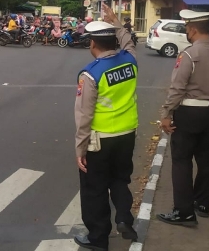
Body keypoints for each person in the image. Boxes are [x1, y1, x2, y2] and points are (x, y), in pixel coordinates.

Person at [156, 10, 209, 226]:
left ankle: (184, 212)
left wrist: (166, 114)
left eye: (187, 28)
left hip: (189, 114)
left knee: (181, 161)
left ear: (193, 29)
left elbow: (177, 88)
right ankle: (203, 204)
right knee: (207, 162)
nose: (187, 32)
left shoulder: (188, 55)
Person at [73, 18, 138, 250]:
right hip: (127, 134)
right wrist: (118, 24)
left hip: (100, 140)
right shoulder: (130, 61)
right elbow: (128, 42)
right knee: (120, 179)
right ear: (113, 41)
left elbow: (84, 116)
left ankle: (98, 238)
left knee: (95, 189)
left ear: (93, 44)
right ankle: (123, 218)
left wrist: (80, 149)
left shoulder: (90, 74)